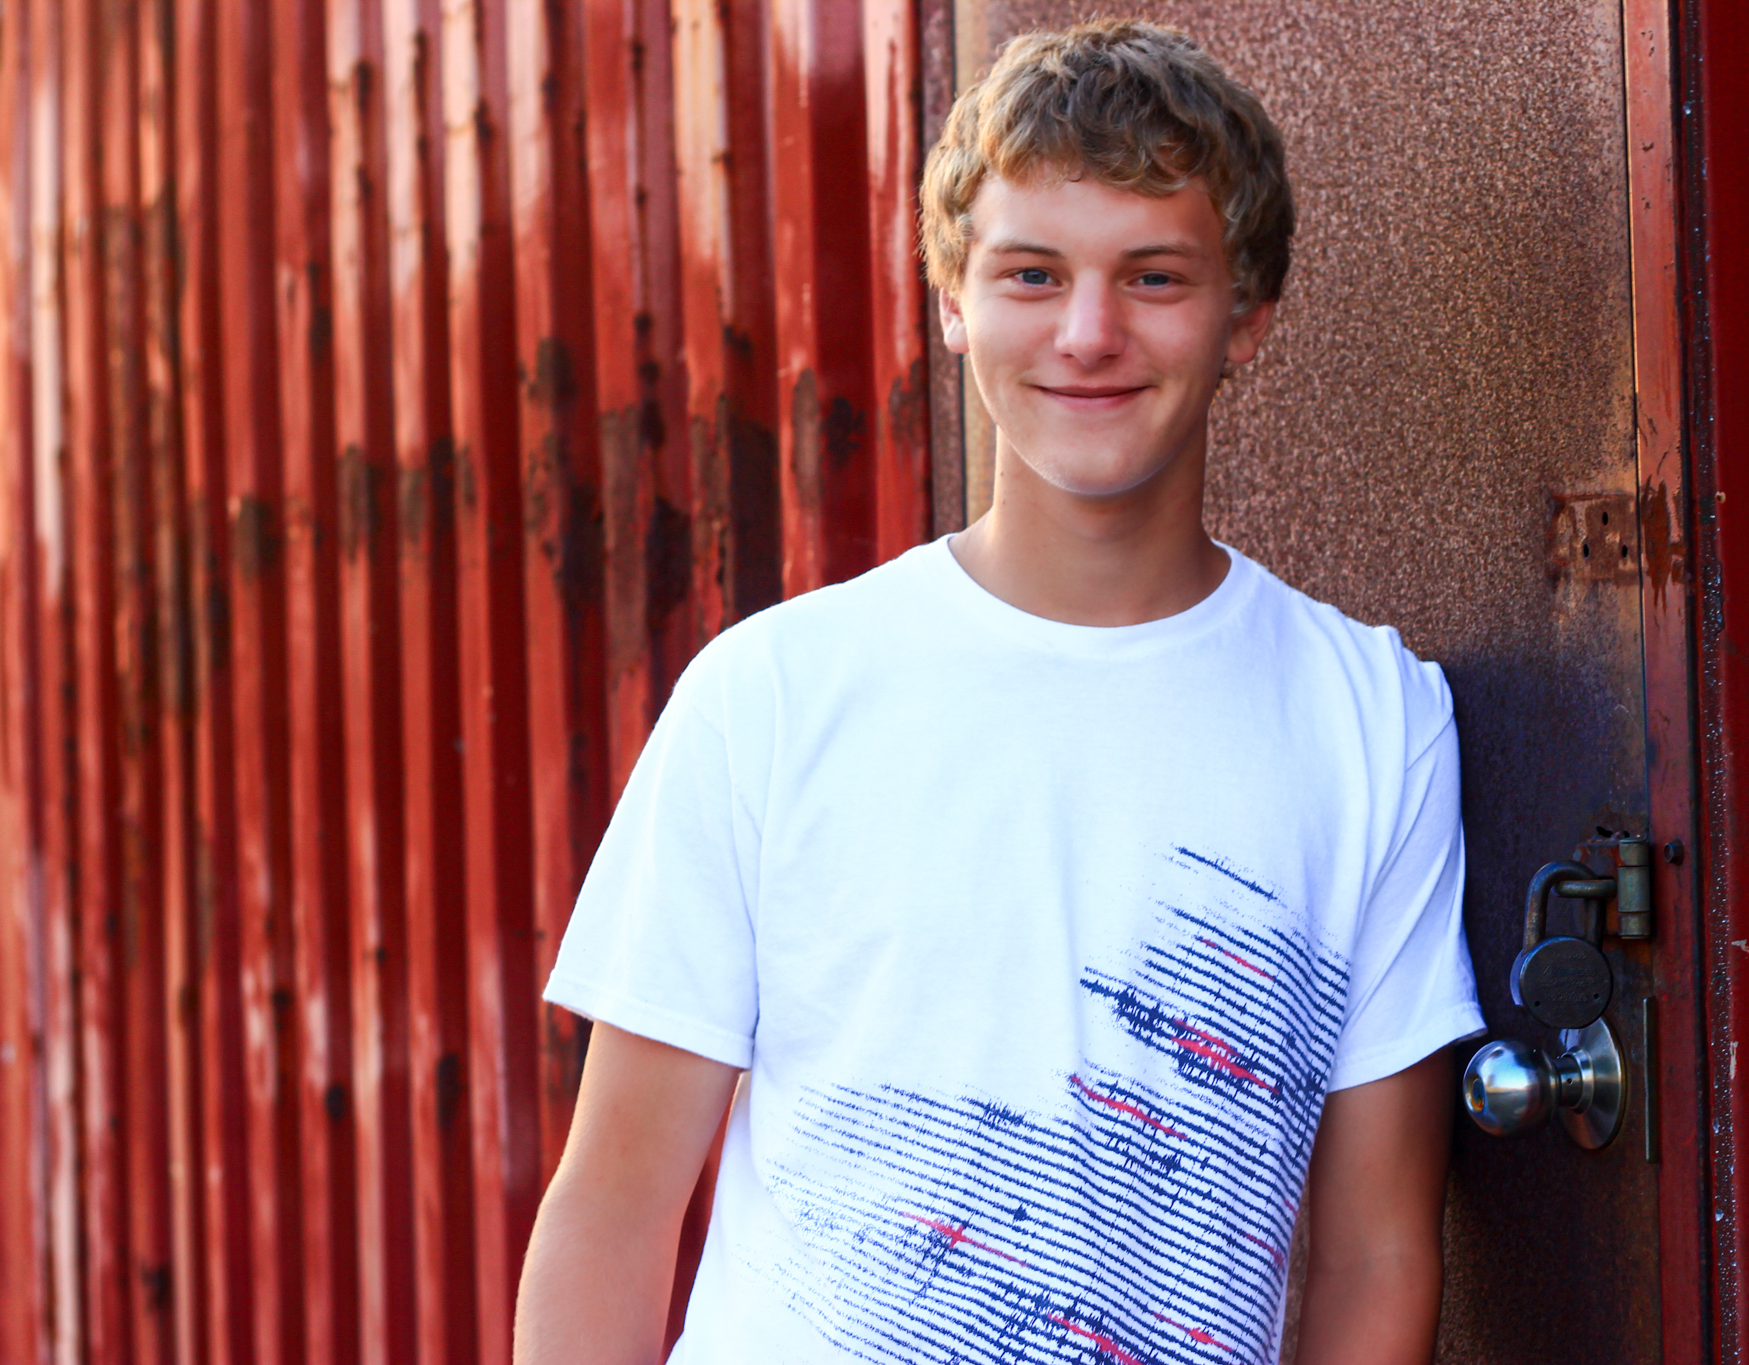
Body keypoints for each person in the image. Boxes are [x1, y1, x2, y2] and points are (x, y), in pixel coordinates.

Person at [514, 19, 1482, 1364]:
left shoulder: (1374, 718)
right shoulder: (776, 696)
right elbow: (614, 1207)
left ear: (1246, 320)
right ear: (955, 299)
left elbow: (1377, 1251)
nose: (1089, 332)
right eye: (1033, 273)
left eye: (1154, 276)